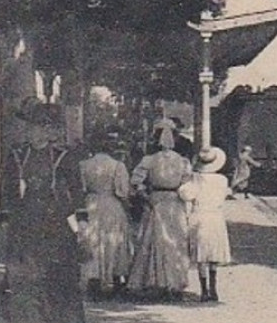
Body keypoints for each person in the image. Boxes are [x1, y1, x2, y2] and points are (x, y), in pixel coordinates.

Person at [0, 102, 87, 323]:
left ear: (48, 130)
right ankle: (31, 321)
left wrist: (82, 220)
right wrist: (5, 220)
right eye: (29, 127)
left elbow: (76, 189)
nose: (31, 132)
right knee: (26, 271)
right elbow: (7, 191)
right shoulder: (17, 155)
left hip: (55, 218)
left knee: (57, 269)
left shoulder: (63, 156)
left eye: (37, 127)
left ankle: (60, 321)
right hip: (25, 217)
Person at [128, 125, 194, 298]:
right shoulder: (183, 161)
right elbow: (188, 184)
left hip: (155, 200)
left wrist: (144, 196)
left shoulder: (149, 160)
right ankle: (174, 282)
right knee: (174, 241)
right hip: (175, 202)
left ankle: (156, 280)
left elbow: (135, 182)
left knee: (153, 240)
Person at [78, 133, 133, 296]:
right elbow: (122, 191)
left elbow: (80, 188)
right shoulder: (117, 166)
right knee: (114, 241)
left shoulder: (84, 165)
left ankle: (93, 280)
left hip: (91, 204)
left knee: (93, 241)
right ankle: (116, 279)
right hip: (111, 204)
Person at [179, 146, 233, 302]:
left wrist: (184, 183)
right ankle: (214, 288)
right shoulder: (222, 180)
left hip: (200, 215)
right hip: (215, 216)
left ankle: (204, 290)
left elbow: (186, 195)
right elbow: (224, 195)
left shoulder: (196, 179)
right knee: (213, 251)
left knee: (201, 253)